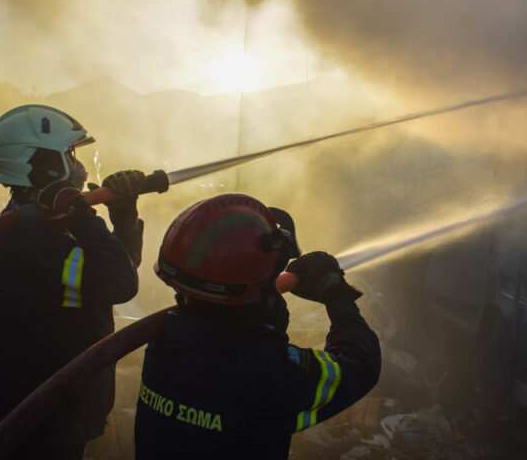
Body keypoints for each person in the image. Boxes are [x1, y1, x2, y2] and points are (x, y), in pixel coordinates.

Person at [134, 193, 381, 459]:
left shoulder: (163, 340)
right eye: (269, 277)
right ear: (248, 292)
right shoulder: (263, 372)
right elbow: (360, 363)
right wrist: (335, 294)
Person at [0, 104, 146, 459]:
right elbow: (119, 283)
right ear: (41, 167)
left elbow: (109, 276)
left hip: (51, 412)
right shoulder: (26, 243)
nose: (79, 167)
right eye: (69, 154)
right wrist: (83, 214)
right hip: (31, 423)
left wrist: (124, 217)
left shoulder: (44, 226)